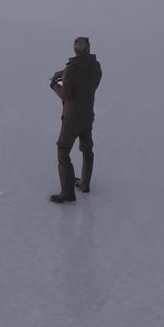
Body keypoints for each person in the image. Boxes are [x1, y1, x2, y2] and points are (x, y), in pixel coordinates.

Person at [49, 36, 103, 203]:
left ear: (75, 50)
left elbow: (66, 95)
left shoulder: (71, 70)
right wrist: (65, 74)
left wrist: (55, 85)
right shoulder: (96, 66)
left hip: (72, 119)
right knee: (87, 149)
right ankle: (85, 183)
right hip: (88, 115)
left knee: (63, 151)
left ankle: (67, 193)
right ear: (89, 48)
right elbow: (90, 83)